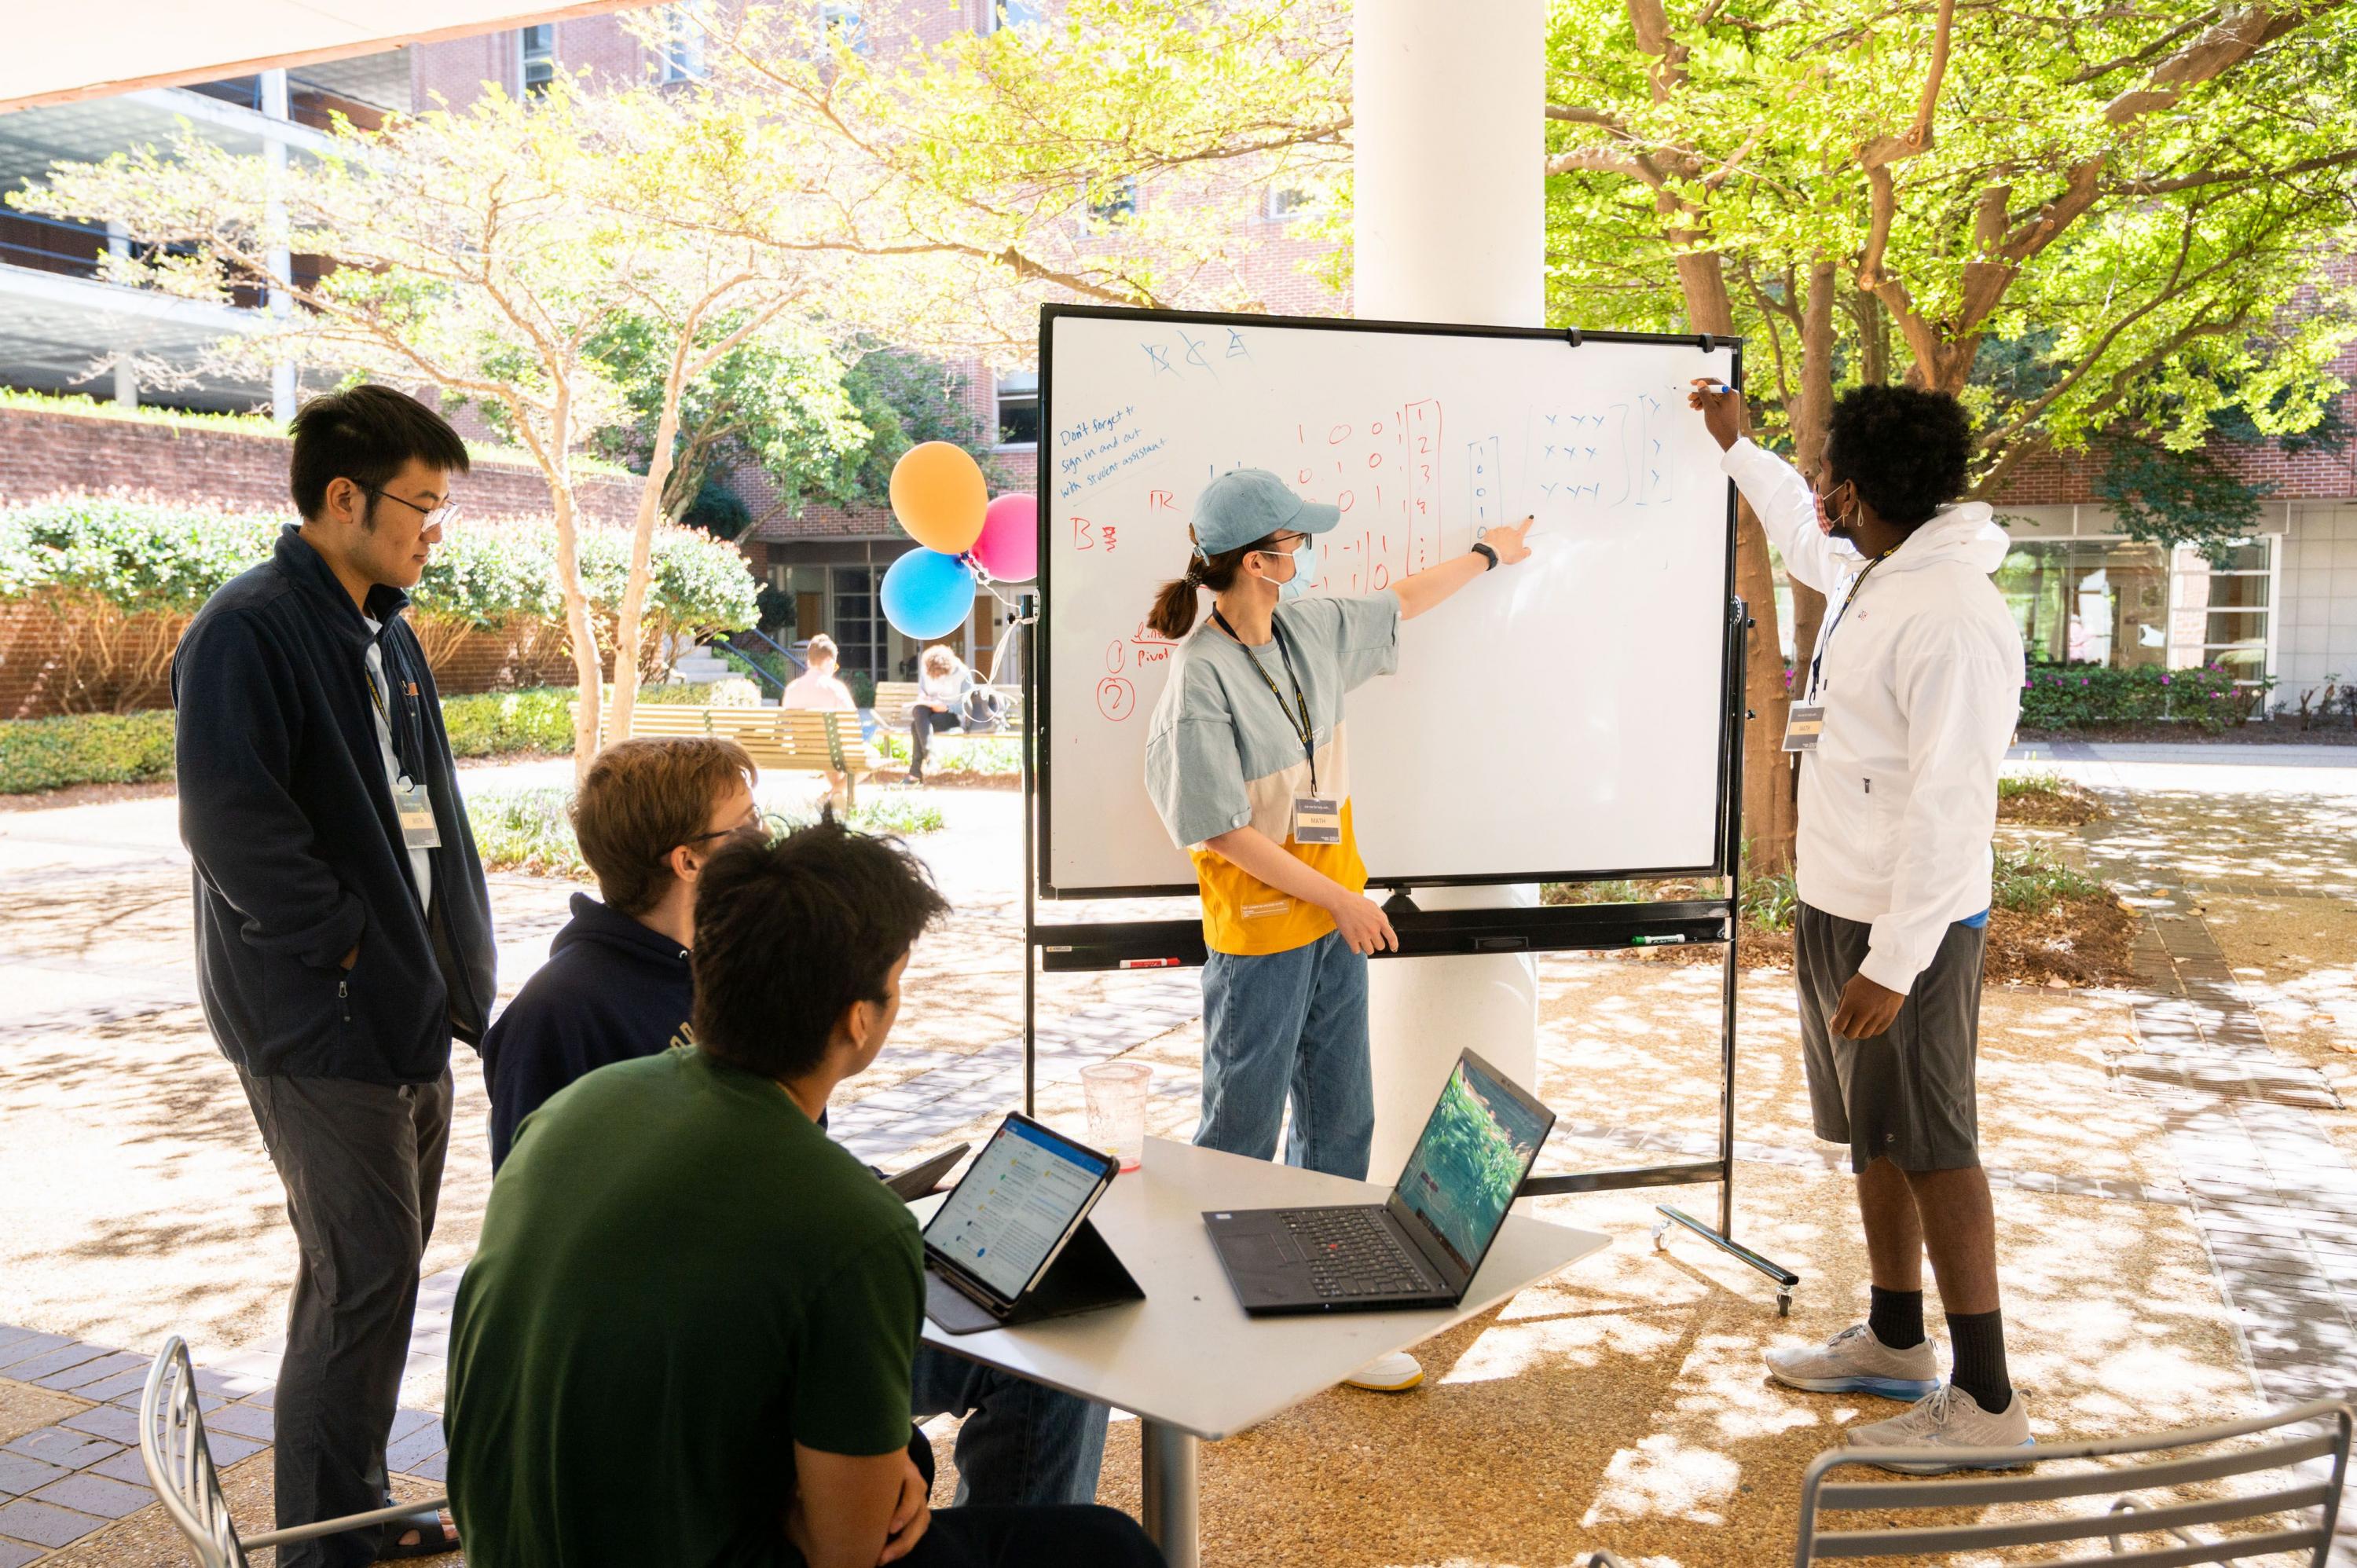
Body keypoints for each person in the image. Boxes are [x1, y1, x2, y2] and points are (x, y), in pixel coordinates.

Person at [445, 823, 1161, 1568]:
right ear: (860, 1019)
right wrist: (855, 1493)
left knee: (900, 1454)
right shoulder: (855, 1226)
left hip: (509, 1544)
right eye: (897, 982)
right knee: (1108, 1547)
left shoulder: (578, 1108)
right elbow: (848, 1552)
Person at [173, 383, 493, 1563]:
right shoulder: (248, 628)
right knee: (361, 1272)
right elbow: (232, 825)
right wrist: (351, 945)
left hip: (405, 1004)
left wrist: (446, 971)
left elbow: (426, 812)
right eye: (423, 504)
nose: (434, 530)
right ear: (344, 498)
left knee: (384, 1273)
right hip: (320, 1015)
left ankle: (353, 1506)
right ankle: (321, 1542)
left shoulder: (385, 629)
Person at [1690, 381, 2029, 1469]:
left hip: (1904, 929)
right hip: (1840, 902)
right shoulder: (1875, 566)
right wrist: (1738, 448)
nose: (1817, 487)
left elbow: (1953, 808)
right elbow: (1800, 536)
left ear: (1860, 493)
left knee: (1934, 1144)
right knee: (1874, 1132)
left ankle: (1987, 1401)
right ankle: (1894, 1337)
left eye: (1826, 471)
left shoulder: (1952, 616)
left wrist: (1895, 962)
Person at [1140, 467, 1531, 1392]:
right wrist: (1342, 900)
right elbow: (1220, 828)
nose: (1308, 554)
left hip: (1333, 923)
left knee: (1341, 1123)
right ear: (1258, 560)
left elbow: (1402, 601)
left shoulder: (1309, 629)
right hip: (1263, 940)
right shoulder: (1199, 678)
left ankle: (1326, 1313)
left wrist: (1488, 554)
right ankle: (1214, 1330)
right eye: (1295, 542)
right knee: (1241, 1137)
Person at [781, 634, 860, 807]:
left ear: (808, 660)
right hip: (831, 750)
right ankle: (833, 794)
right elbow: (852, 724)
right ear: (830, 662)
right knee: (871, 755)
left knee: (829, 752)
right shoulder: (835, 688)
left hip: (802, 750)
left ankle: (836, 798)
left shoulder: (792, 688)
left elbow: (785, 724)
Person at [904, 643, 973, 784]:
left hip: (952, 716)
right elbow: (922, 691)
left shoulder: (962, 673)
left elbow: (969, 705)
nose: (937, 678)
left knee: (915, 726)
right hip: (928, 713)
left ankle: (916, 771)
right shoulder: (926, 668)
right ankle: (930, 758)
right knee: (918, 710)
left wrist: (947, 707)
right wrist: (925, 698)